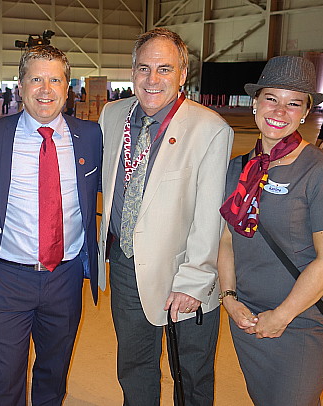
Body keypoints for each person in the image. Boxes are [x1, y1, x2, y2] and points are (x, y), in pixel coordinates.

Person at [97, 28, 234, 406]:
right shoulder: (113, 115)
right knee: (135, 367)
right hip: (126, 266)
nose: (152, 80)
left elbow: (210, 217)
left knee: (190, 374)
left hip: (182, 272)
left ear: (182, 74)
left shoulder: (209, 128)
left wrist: (194, 280)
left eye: (164, 69)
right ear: (131, 72)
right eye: (143, 69)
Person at [218, 55, 323, 406]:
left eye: (294, 103)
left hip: (302, 321)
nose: (280, 111)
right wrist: (229, 299)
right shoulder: (238, 168)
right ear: (255, 104)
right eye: (271, 99)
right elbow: (228, 240)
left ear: (306, 112)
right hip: (248, 319)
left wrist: (281, 316)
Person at [0, 45, 102, 406]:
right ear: (20, 85)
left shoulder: (90, 136)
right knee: (4, 374)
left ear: (67, 87)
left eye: (54, 80)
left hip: (65, 275)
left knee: (54, 370)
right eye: (36, 79)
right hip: (7, 277)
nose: (45, 89)